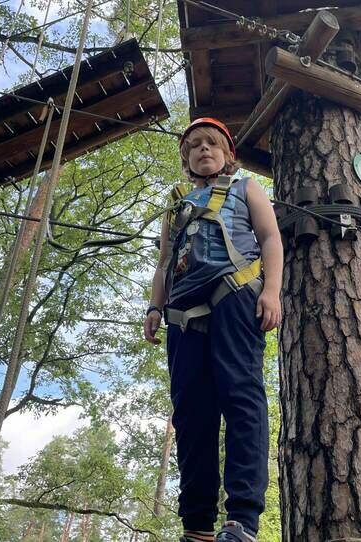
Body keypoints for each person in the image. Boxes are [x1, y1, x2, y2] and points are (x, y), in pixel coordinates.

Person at [143, 118, 283, 542]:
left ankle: (242, 519)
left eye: (212, 144)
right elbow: (164, 262)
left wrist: (271, 291)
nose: (204, 149)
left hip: (234, 294)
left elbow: (270, 238)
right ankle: (197, 525)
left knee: (241, 398)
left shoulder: (246, 188)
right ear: (186, 159)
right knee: (190, 413)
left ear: (228, 154)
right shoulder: (175, 205)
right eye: (195, 146)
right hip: (182, 313)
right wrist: (154, 306)